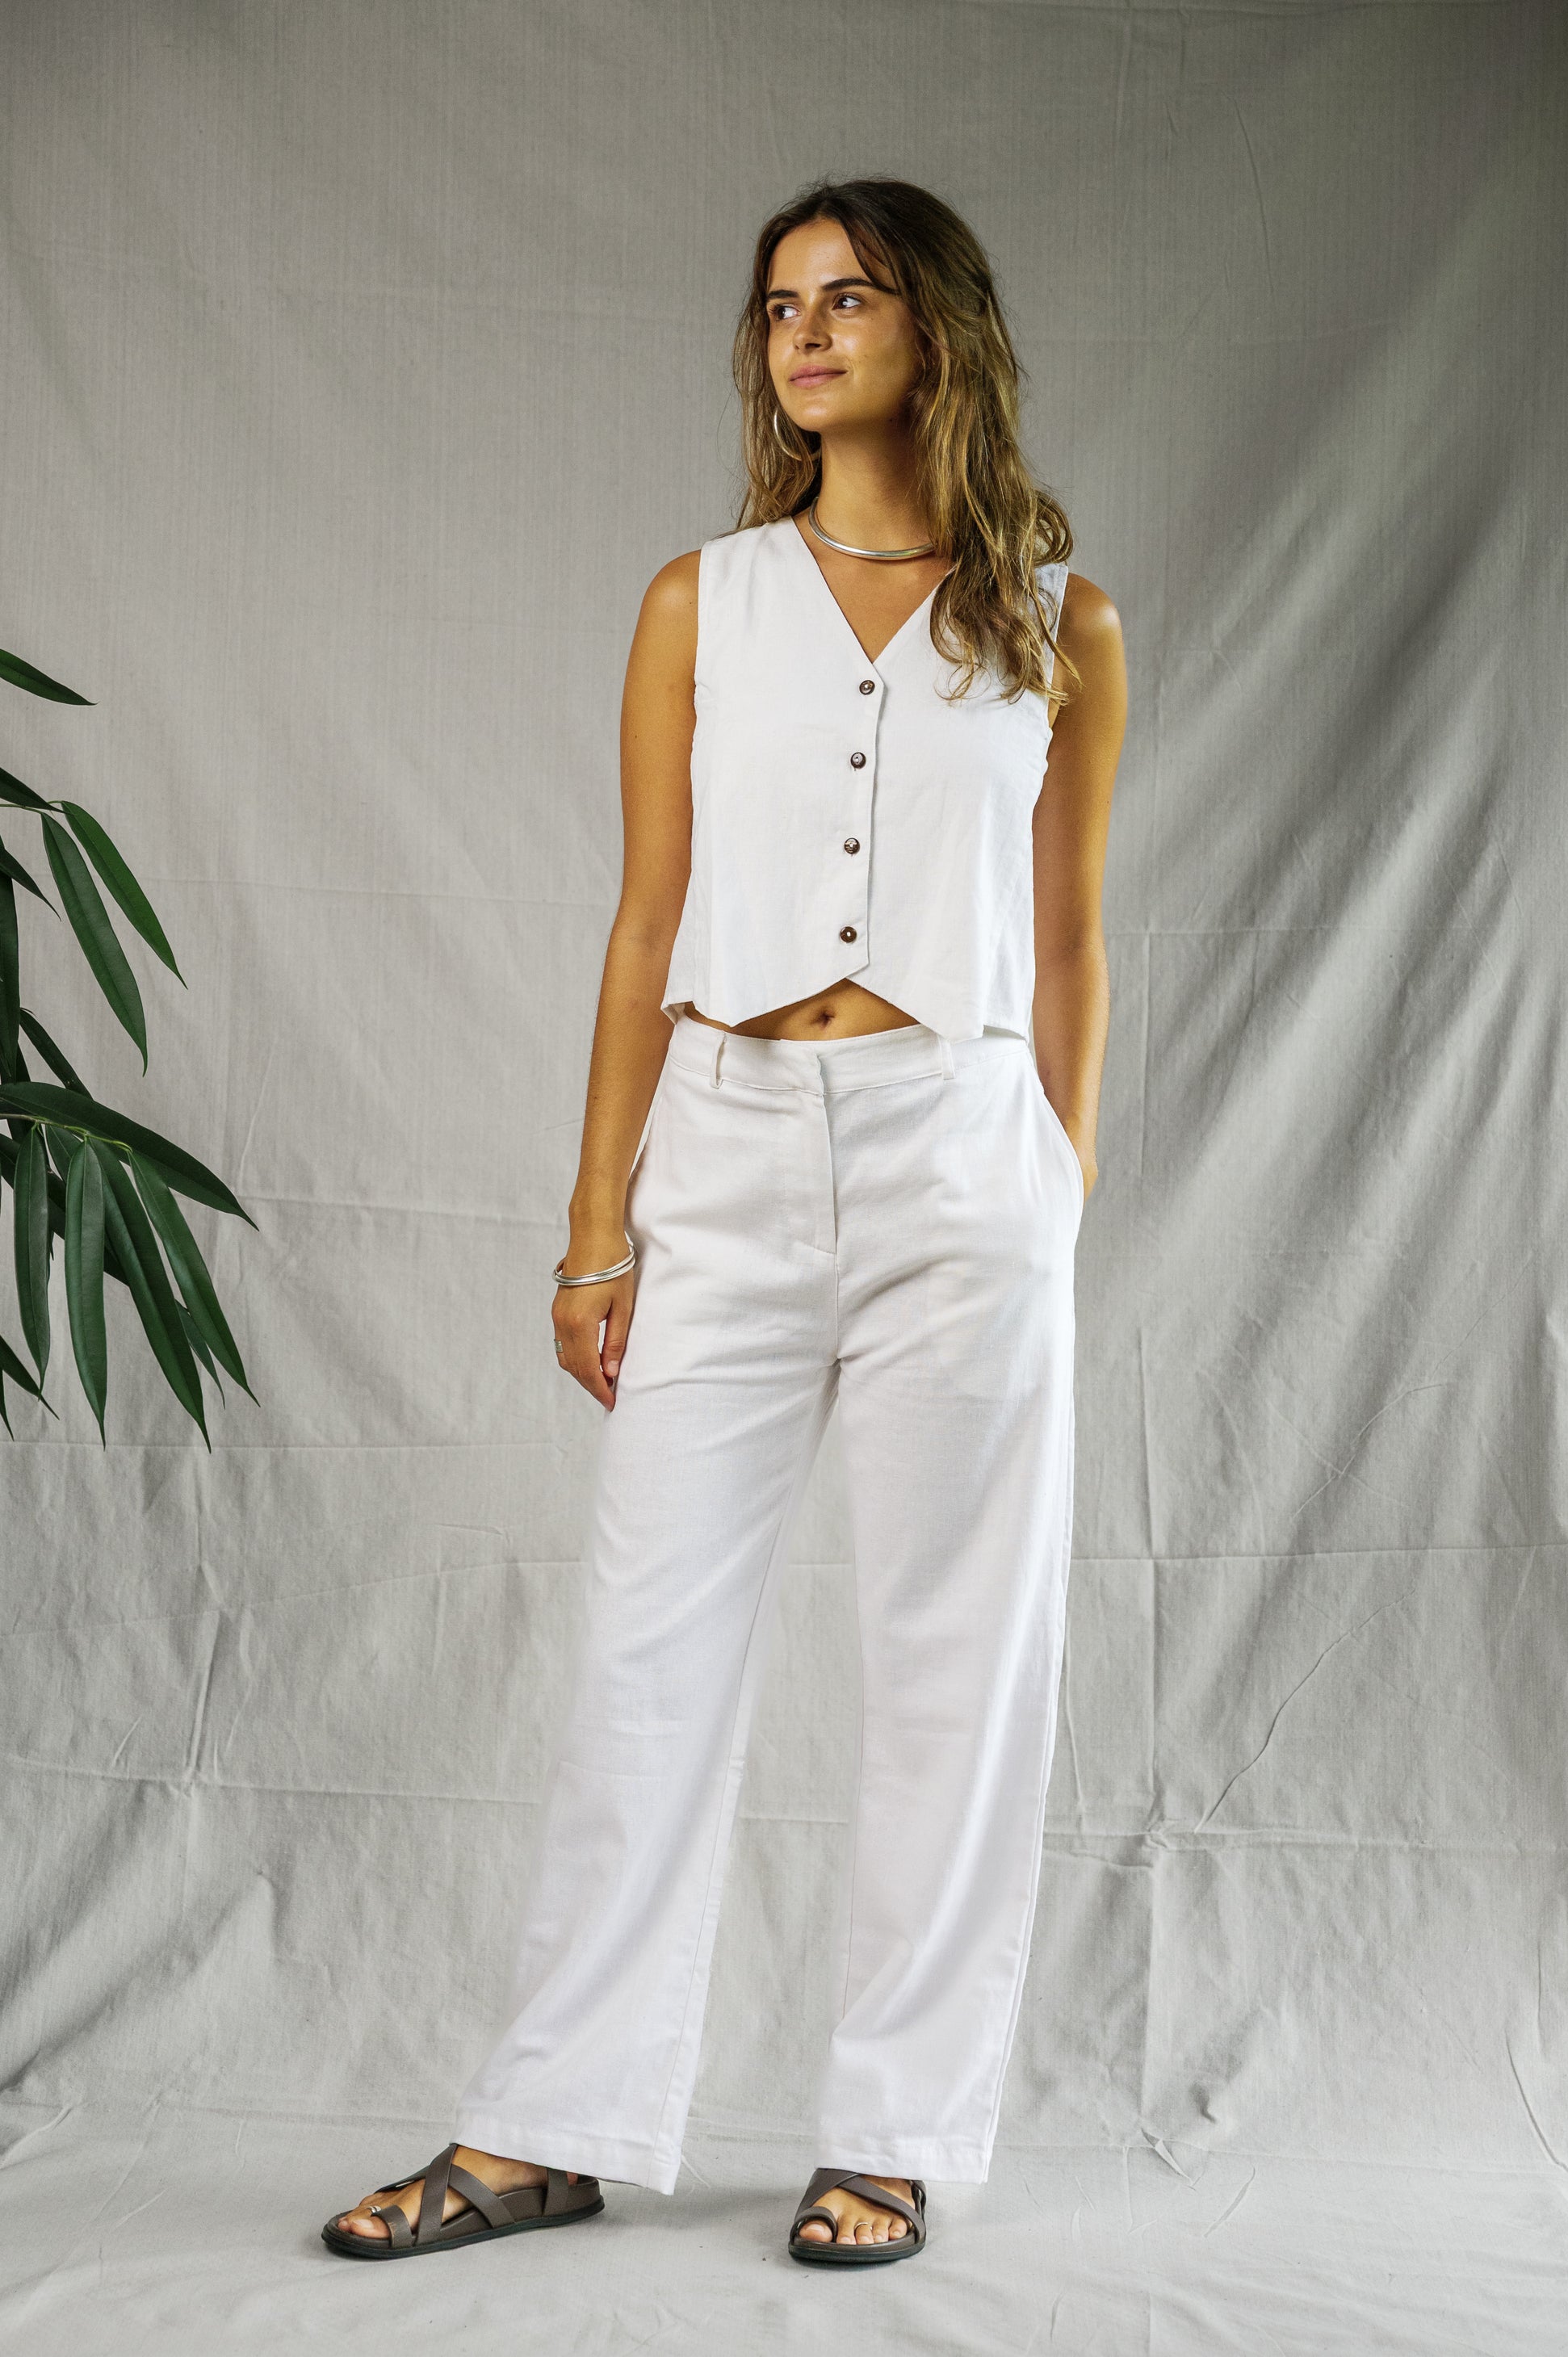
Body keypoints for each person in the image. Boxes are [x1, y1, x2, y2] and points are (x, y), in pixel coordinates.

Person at [322, 174, 1126, 2270]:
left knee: (959, 1657)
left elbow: (1068, 943)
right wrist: (597, 1222)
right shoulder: (703, 600)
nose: (807, 329)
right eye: (781, 304)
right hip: (733, 1142)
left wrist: (1056, 1179)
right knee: (648, 1644)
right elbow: (643, 919)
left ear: (938, 327)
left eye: (850, 295)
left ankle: (895, 2136)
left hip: (963, 1154)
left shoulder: (1059, 622)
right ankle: (551, 2124)